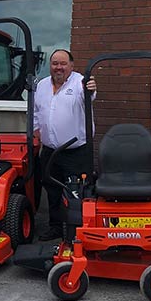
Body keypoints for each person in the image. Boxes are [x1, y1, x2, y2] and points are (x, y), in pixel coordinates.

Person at [33, 49, 97, 241]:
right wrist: (36, 130)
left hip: (76, 152)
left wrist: (91, 88)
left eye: (62, 64)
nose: (58, 67)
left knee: (77, 192)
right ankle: (55, 228)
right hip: (50, 152)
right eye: (54, 63)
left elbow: (89, 94)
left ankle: (77, 231)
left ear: (71, 65)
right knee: (52, 190)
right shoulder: (42, 86)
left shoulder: (80, 83)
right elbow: (36, 112)